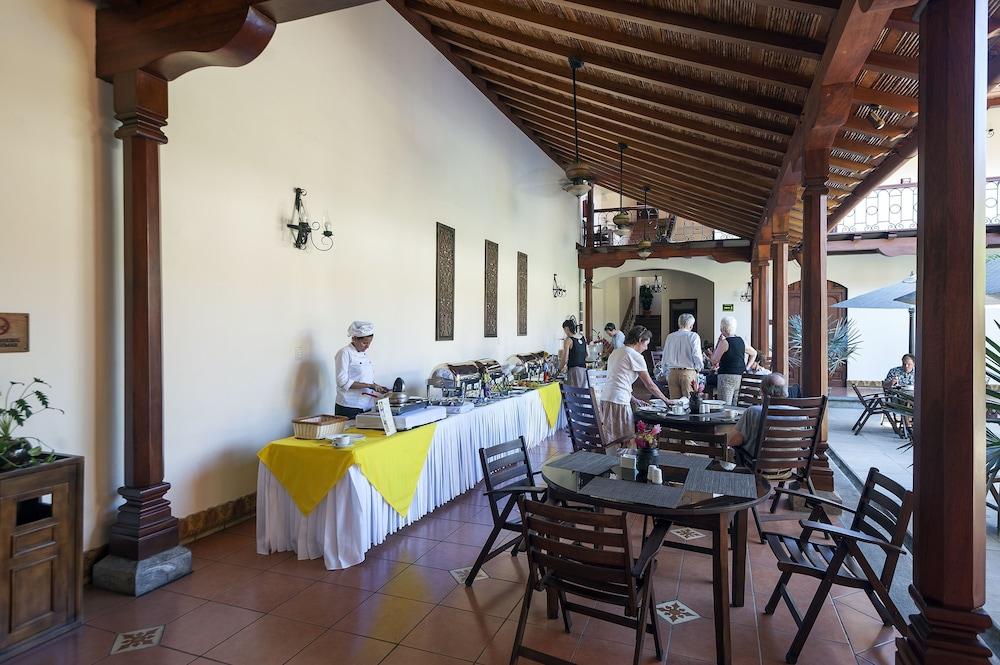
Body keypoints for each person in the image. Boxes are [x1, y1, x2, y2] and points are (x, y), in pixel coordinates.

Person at [599, 326, 672, 443]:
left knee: (611, 439)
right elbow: (649, 384)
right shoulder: (635, 356)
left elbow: (617, 380)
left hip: (606, 398)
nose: (646, 348)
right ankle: (622, 461)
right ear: (639, 341)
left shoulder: (616, 352)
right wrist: (666, 400)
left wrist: (634, 399)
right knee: (626, 440)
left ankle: (610, 460)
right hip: (619, 401)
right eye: (646, 344)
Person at [728, 373, 789, 461]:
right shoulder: (801, 415)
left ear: (762, 392)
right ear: (786, 392)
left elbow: (732, 440)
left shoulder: (754, 411)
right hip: (787, 468)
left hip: (757, 467)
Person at [334, 321, 388, 419]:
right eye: (364, 343)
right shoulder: (344, 353)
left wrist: (376, 386)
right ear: (354, 338)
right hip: (349, 406)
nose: (367, 346)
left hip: (367, 405)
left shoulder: (363, 354)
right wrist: (370, 386)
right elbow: (342, 382)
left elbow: (363, 378)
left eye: (369, 343)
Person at [710, 316, 757, 405]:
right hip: (740, 376)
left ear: (723, 328)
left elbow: (714, 361)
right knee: (737, 405)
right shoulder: (741, 341)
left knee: (725, 405)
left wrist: (717, 344)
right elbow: (754, 353)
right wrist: (746, 367)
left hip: (726, 376)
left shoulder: (724, 343)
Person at [661, 313, 704, 399]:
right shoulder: (693, 336)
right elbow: (697, 355)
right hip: (688, 372)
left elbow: (665, 356)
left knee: (675, 404)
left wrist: (665, 371)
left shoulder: (670, 336)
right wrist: (699, 368)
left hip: (672, 373)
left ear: (679, 323)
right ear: (691, 325)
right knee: (689, 402)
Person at [559, 319, 589, 388]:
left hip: (574, 371)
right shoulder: (583, 337)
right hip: (583, 370)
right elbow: (588, 354)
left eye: (564, 330)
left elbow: (565, 358)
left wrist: (559, 370)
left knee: (575, 394)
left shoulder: (568, 340)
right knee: (582, 392)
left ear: (566, 328)